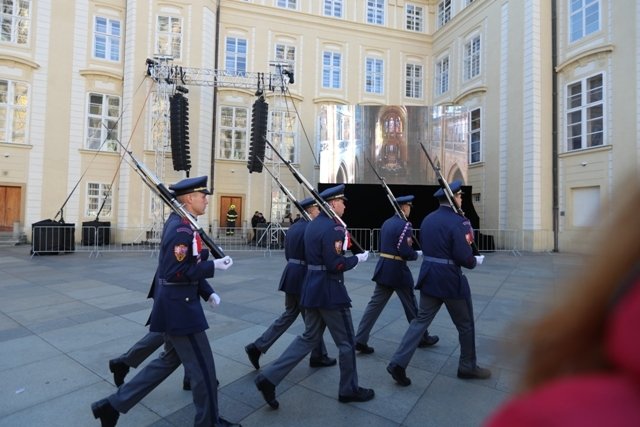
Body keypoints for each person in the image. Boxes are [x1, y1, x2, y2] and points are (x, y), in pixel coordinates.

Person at [484, 182, 640, 427]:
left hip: (433, 278)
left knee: (432, 316)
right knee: (457, 322)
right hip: (445, 280)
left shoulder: (546, 413)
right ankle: (464, 362)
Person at [91, 176, 239, 427]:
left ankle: (112, 405)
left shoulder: (185, 224)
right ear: (189, 199)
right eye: (202, 196)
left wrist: (207, 291)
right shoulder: (180, 230)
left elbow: (188, 266)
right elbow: (175, 272)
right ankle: (208, 423)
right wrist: (212, 265)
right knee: (203, 369)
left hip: (177, 304)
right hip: (181, 310)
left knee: (168, 361)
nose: (206, 200)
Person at [254, 184, 375, 408]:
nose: (345, 205)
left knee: (308, 338)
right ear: (331, 204)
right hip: (330, 292)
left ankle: (269, 377)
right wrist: (357, 259)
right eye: (341, 201)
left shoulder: (312, 225)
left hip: (311, 288)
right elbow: (335, 263)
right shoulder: (334, 228)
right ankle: (348, 389)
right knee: (347, 342)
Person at [387, 180, 490, 387]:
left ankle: (398, 362)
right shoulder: (458, 222)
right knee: (465, 324)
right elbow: (463, 255)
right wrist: (473, 261)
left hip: (429, 276)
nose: (462, 199)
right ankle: (467, 366)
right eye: (460, 196)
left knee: (420, 322)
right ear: (453, 198)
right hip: (450, 279)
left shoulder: (428, 219)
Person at [244, 197, 336, 370]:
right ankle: (317, 355)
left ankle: (257, 347)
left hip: (291, 274)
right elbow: (313, 256)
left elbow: (288, 254)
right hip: (304, 276)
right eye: (317, 209)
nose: (320, 212)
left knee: (292, 314)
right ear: (309, 210)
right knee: (312, 319)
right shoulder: (311, 228)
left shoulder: (293, 227)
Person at [354, 195, 439, 355]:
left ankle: (360, 338)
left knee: (373, 307)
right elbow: (405, 251)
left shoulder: (387, 223)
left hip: (383, 268)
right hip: (398, 271)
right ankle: (422, 337)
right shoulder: (405, 225)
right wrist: (416, 254)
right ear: (404, 207)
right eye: (408, 207)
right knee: (412, 307)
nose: (409, 210)